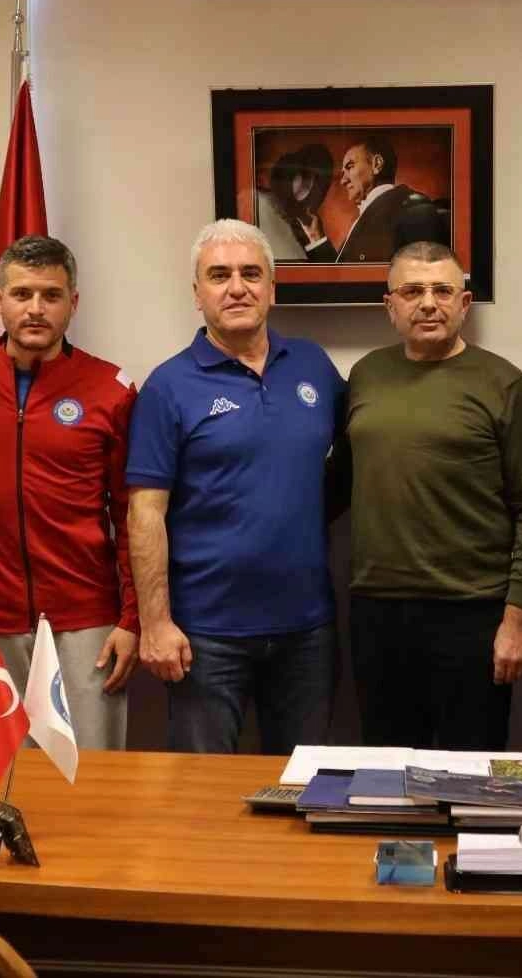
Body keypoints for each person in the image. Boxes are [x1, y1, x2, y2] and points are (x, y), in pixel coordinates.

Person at [127, 219, 344, 754]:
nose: (237, 287)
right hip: (206, 634)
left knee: (302, 785)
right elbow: (145, 513)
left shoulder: (313, 366)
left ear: (272, 287)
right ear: (197, 293)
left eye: (251, 273)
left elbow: (359, 457)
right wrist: (155, 622)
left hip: (306, 628)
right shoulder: (168, 386)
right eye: (219, 275)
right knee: (202, 789)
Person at [0, 236, 140, 750]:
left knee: (89, 780)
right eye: (22, 294)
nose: (36, 309)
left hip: (85, 619)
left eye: (51, 295)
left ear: (73, 302)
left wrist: (132, 619)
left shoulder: (110, 389)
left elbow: (133, 517)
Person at [337, 240, 522, 750]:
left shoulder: (503, 384)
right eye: (412, 291)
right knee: (386, 771)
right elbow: (339, 483)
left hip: (473, 612)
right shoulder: (365, 376)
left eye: (442, 291)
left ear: (464, 303)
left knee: (472, 774)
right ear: (390, 306)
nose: (428, 303)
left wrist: (518, 616)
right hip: (377, 612)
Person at [301, 135, 443, 264]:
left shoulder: (413, 208)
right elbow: (342, 276)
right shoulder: (379, 213)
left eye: (350, 166)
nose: (343, 181)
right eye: (343, 172)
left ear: (377, 164)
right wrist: (316, 237)